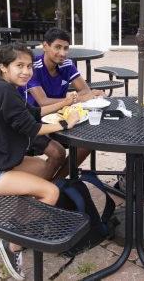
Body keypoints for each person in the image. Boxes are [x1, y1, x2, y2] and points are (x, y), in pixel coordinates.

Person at [0, 43, 80, 280]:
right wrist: (67, 123)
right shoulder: (3, 91)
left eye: (28, 66)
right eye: (19, 66)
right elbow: (31, 127)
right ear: (4, 67)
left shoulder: (5, 89)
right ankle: (12, 243)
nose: (26, 71)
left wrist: (64, 103)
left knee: (45, 168)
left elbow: (33, 113)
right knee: (50, 192)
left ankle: (22, 217)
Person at [18, 27, 104, 178]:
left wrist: (81, 97)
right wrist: (73, 100)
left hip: (60, 118)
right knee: (57, 153)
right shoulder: (33, 67)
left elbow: (85, 91)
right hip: (33, 123)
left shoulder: (66, 64)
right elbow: (43, 102)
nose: (62, 53)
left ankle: (56, 184)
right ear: (45, 46)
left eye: (66, 48)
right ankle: (44, 189)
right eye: (57, 47)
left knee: (88, 143)